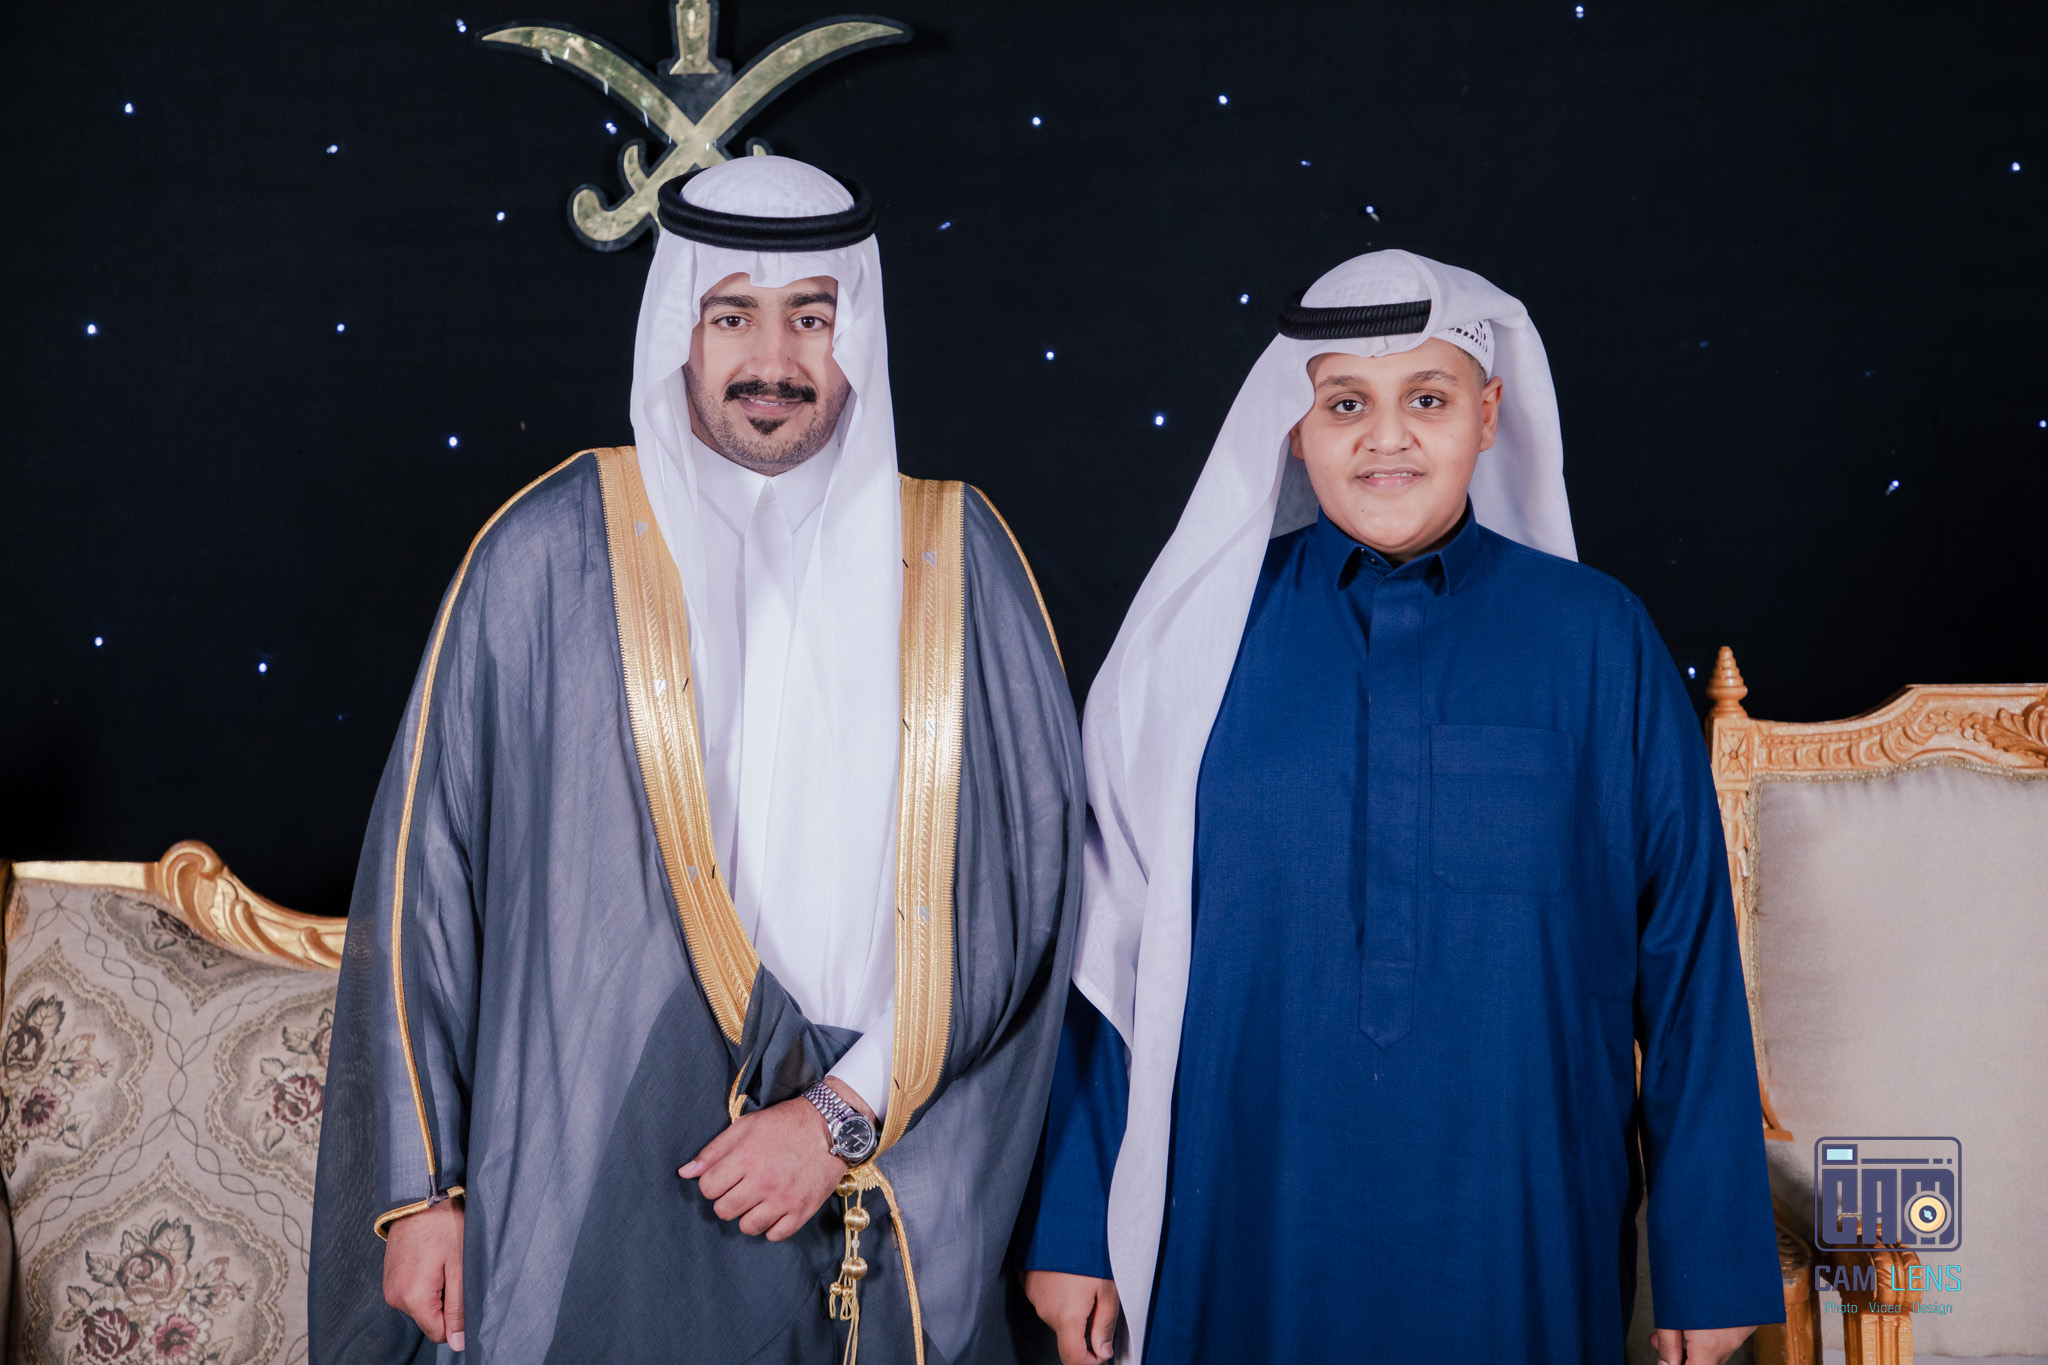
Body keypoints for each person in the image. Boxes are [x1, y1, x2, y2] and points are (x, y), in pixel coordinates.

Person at [309, 154, 1083, 1365]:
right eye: (732, 316)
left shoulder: (956, 558)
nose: (772, 358)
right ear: (678, 324)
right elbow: (429, 887)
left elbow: (1021, 897)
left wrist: (836, 1115)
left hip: (874, 1169)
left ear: (857, 334)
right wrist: (424, 1192)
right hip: (597, 1167)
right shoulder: (546, 554)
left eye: (809, 318)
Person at [1018, 250, 1783, 1364]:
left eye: (1426, 399)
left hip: (1520, 1216)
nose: (1386, 439)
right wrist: (1077, 1223)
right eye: (1345, 404)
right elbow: (1107, 953)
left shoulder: (1597, 638)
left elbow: (1688, 960)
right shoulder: (1188, 642)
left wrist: (1709, 1261)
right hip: (1241, 1208)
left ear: (1489, 413)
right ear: (1294, 427)